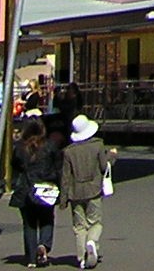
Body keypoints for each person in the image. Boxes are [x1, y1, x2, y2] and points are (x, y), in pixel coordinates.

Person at [58, 114, 110, 270]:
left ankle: (81, 258)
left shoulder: (69, 151)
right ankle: (92, 241)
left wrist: (63, 198)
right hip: (94, 189)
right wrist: (111, 157)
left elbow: (65, 176)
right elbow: (103, 167)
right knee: (95, 222)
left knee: (79, 227)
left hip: (75, 192)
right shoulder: (98, 145)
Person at [8, 118, 60, 268]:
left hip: (26, 189)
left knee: (29, 224)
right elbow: (57, 165)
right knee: (47, 219)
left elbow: (14, 165)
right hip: (46, 188)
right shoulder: (50, 146)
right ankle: (44, 244)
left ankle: (31, 258)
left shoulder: (20, 147)